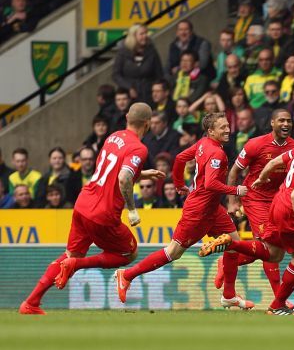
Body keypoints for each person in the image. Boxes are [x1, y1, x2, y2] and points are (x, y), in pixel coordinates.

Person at [19, 103, 165, 315]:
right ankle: (76, 265)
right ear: (148, 123)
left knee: (70, 253)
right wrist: (132, 209)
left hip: (83, 203)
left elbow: (108, 170)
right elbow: (123, 177)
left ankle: (31, 302)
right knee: (129, 253)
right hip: (103, 213)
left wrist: (141, 174)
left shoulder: (113, 136)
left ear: (126, 117)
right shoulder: (139, 148)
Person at [197, 117, 294, 316]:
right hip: (291, 210)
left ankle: (230, 244)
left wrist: (263, 177)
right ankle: (278, 304)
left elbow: (276, 161)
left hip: (277, 202)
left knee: (274, 253)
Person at [115, 112, 252, 309]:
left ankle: (229, 295)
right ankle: (126, 275)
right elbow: (212, 184)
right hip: (198, 212)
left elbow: (179, 158)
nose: (228, 129)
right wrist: (236, 190)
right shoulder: (217, 153)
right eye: (222, 127)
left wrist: (179, 183)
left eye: (227, 125)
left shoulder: (203, 143)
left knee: (235, 245)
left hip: (213, 208)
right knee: (173, 253)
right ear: (211, 131)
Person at [212, 109, 294, 305]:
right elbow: (234, 171)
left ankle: (226, 263)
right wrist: (232, 200)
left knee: (266, 250)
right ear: (272, 123)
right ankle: (279, 299)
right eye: (281, 120)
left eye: (289, 121)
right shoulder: (255, 144)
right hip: (255, 198)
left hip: (279, 201)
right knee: (269, 248)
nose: (286, 124)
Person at [112, 24, 163, 104]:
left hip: (148, 94)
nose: (145, 36)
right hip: (129, 96)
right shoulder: (123, 53)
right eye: (141, 34)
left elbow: (159, 74)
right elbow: (116, 75)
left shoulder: (152, 52)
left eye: (146, 33)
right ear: (133, 36)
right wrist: (129, 87)